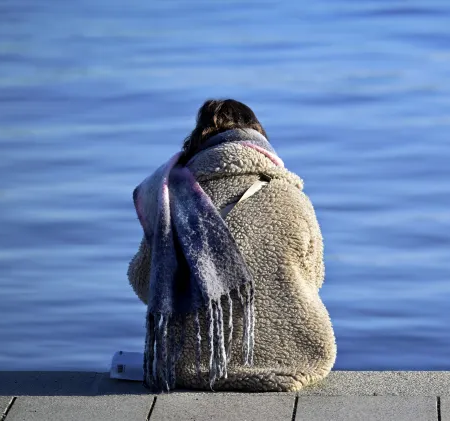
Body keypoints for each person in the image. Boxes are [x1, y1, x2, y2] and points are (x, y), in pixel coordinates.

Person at [127, 99, 336, 392]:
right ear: (260, 143)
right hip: (297, 360)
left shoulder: (171, 199)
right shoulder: (292, 199)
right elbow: (313, 279)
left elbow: (144, 283)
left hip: (192, 365)